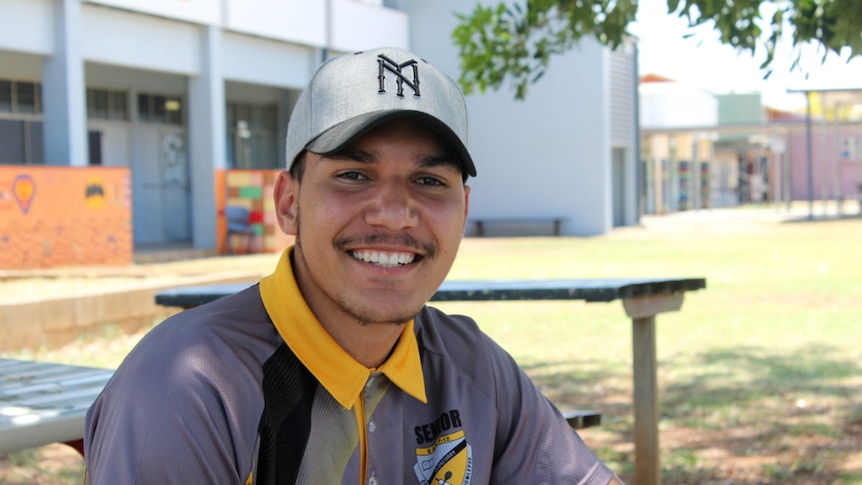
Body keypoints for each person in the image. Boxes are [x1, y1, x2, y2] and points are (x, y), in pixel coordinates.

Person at [84, 46, 624, 485]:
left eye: (429, 181)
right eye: (354, 175)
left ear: (463, 211)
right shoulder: (188, 388)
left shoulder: (475, 372)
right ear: (289, 203)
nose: (393, 214)